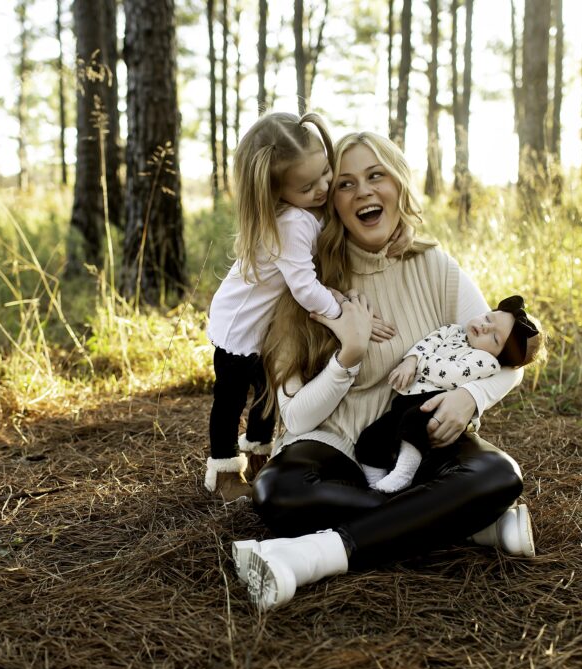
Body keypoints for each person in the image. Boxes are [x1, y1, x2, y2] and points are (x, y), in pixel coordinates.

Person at [229, 131, 536, 610]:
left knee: (498, 475)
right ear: (331, 200)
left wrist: (469, 398)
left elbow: (508, 363)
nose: (364, 192)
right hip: (330, 443)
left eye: (376, 176)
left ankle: (310, 556)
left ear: (398, 184)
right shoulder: (304, 277)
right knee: (277, 491)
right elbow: (299, 418)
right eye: (346, 184)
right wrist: (346, 356)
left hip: (416, 436)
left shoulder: (435, 265)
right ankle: (468, 523)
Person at [205, 112, 397, 503]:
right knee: (230, 400)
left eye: (326, 173)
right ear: (276, 193)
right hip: (238, 329)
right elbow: (306, 289)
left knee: (267, 395)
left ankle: (258, 453)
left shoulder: (303, 214)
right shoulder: (293, 223)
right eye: (307, 186)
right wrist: (346, 314)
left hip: (263, 328)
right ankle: (223, 470)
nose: (324, 187)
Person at [357, 295, 544, 493]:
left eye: (495, 338)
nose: (485, 327)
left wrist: (420, 362)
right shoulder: (453, 330)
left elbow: (449, 375)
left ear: (499, 356)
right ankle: (374, 486)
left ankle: (404, 472)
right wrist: (410, 360)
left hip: (436, 405)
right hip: (406, 400)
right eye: (489, 318)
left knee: (414, 423)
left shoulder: (485, 362)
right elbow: (427, 343)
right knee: (372, 437)